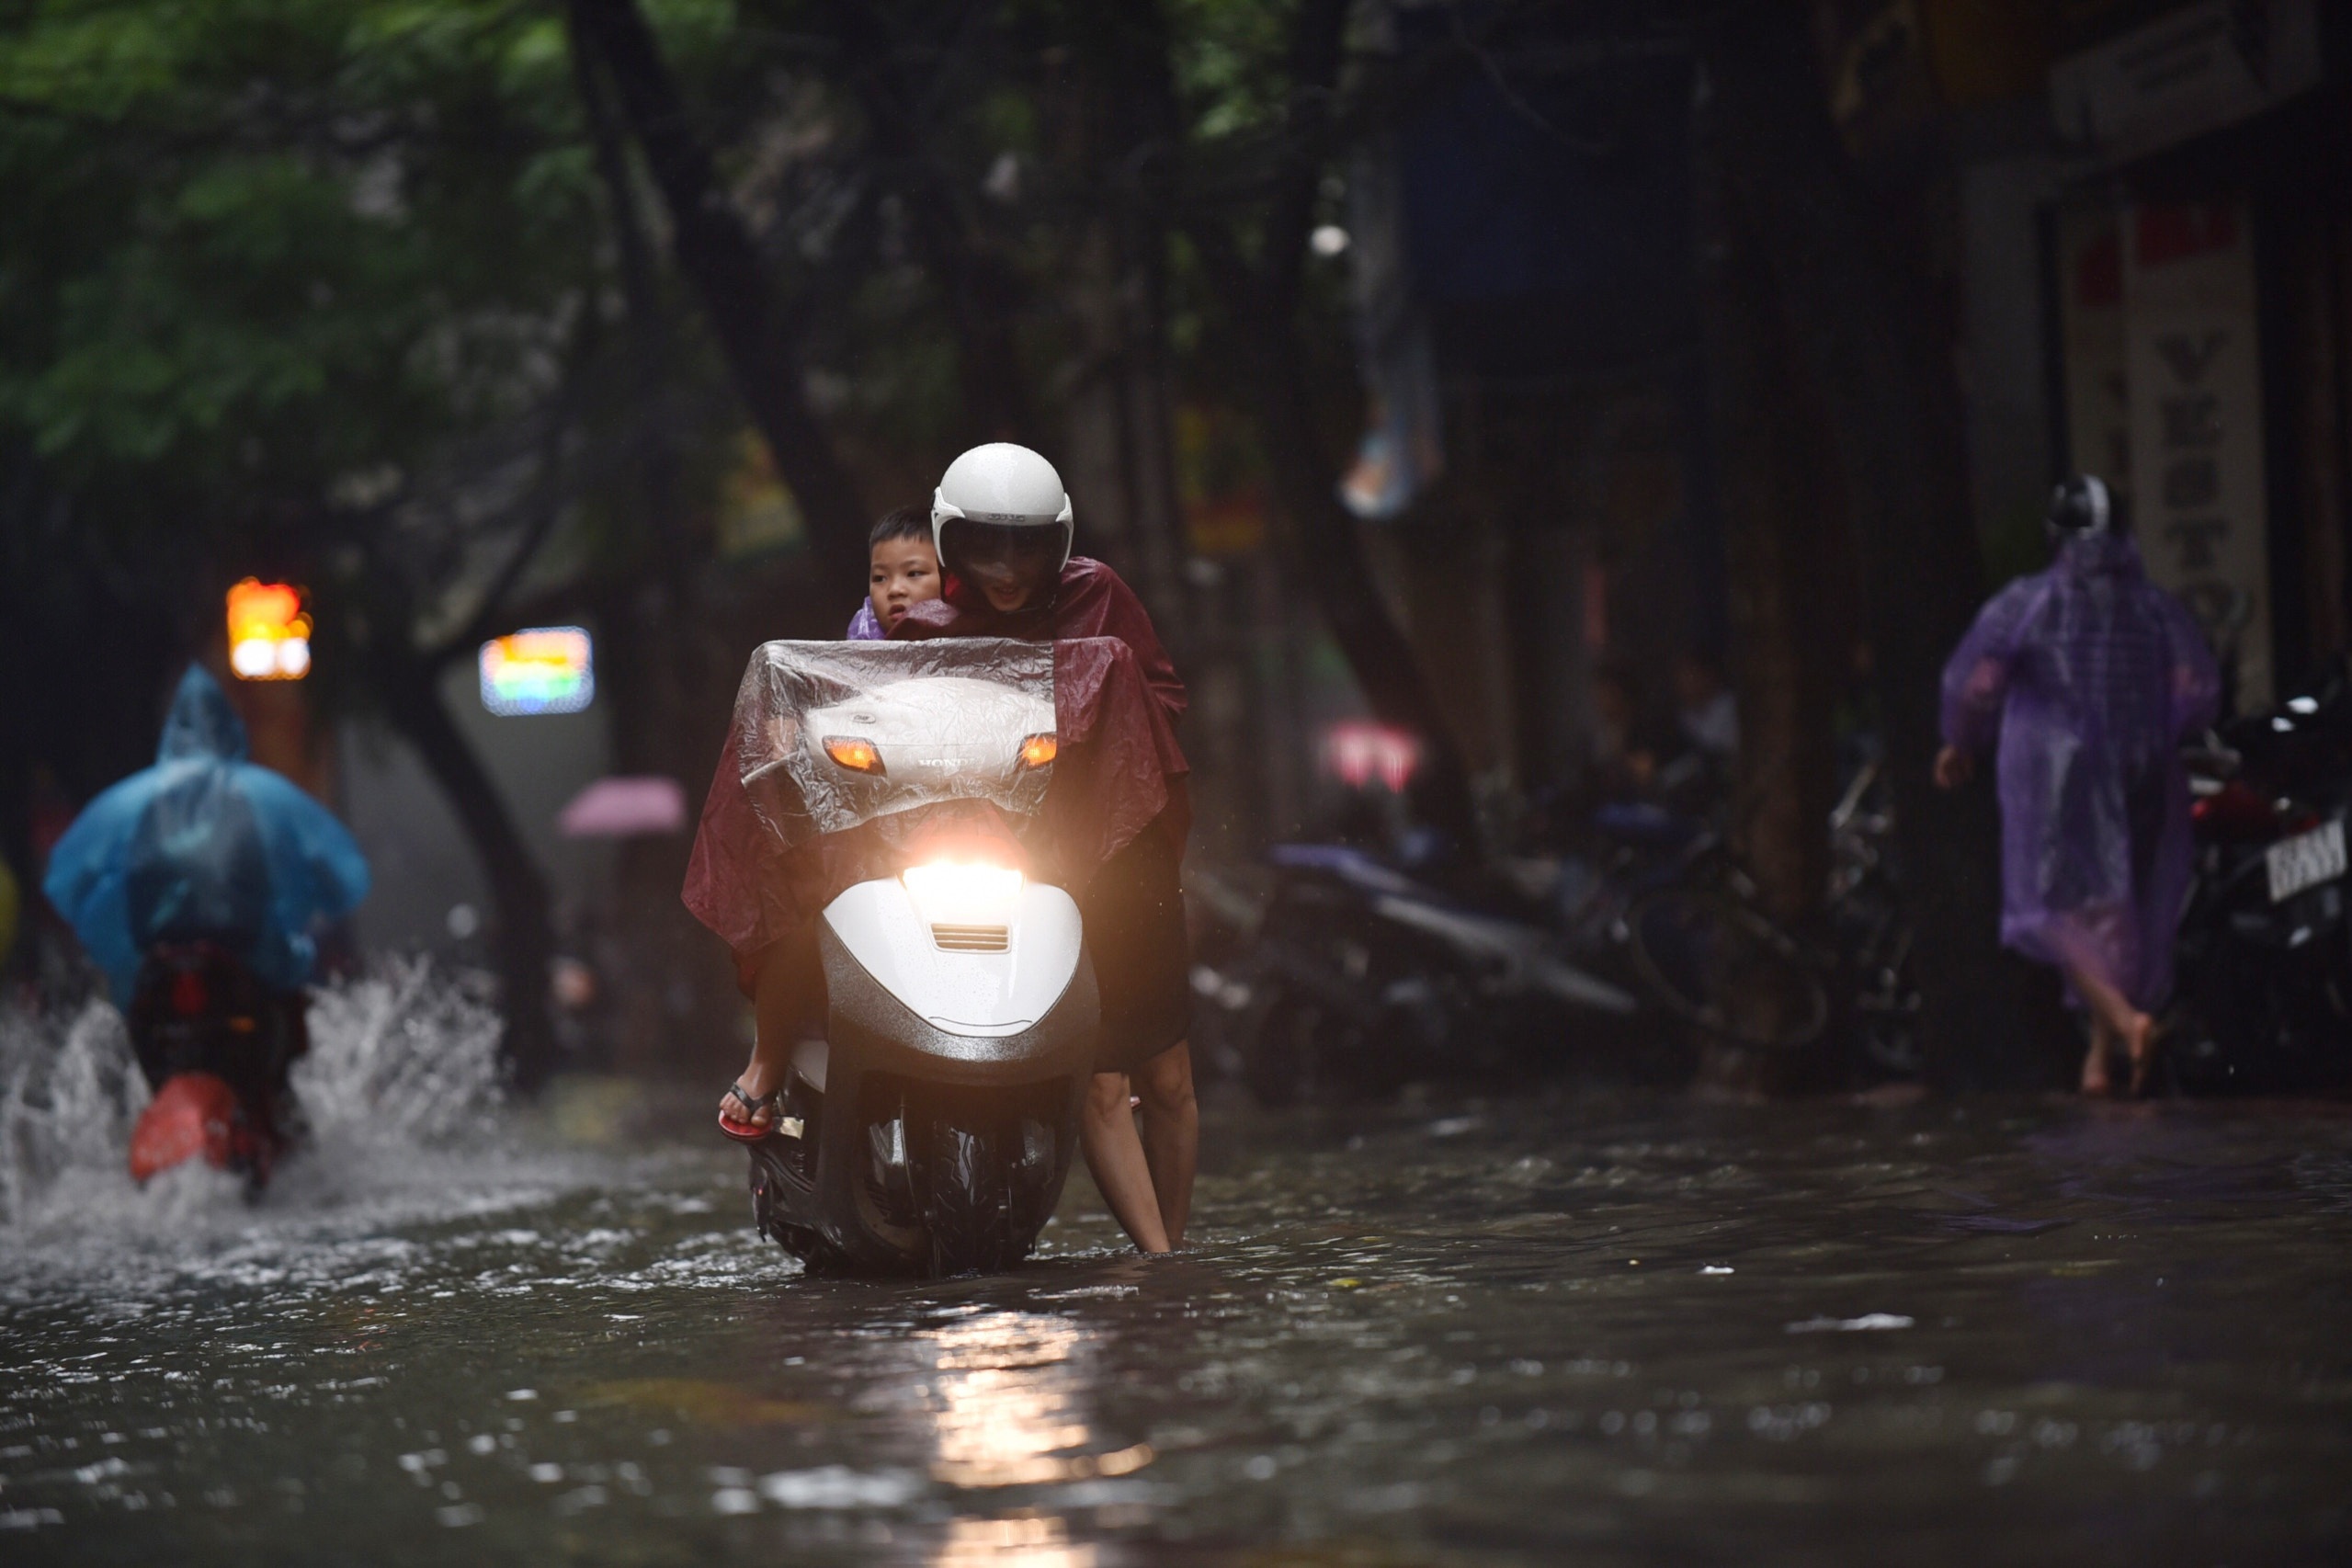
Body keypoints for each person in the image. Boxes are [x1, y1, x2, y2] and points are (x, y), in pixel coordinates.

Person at [719, 444, 1193, 1253]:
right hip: (1026, 853)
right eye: (984, 546)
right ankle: (1158, 1261)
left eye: (1026, 546)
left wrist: (1095, 718)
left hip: (1118, 847)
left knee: (1168, 1079)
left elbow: (1163, 700)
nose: (1006, 568)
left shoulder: (1098, 594)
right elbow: (875, 724)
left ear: (1060, 540)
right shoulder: (928, 627)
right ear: (951, 543)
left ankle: (1175, 1248)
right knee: (1101, 1083)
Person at [1935, 475, 2220, 1096]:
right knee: (2118, 908)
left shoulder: (2029, 603)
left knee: (2051, 910)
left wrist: (1961, 738)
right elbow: (2195, 687)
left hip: (2057, 779)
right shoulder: (2150, 607)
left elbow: (1976, 682)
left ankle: (2125, 1021)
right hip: (2142, 770)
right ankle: (2100, 1059)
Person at [42, 665, 371, 1114]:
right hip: (249, 964)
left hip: (153, 973)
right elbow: (341, 875)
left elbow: (67, 884)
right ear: (231, 728)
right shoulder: (267, 793)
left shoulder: (126, 801)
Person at [846, 506, 942, 640]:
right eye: (880, 578)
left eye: (914, 574)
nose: (894, 590)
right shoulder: (861, 648)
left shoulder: (976, 641)